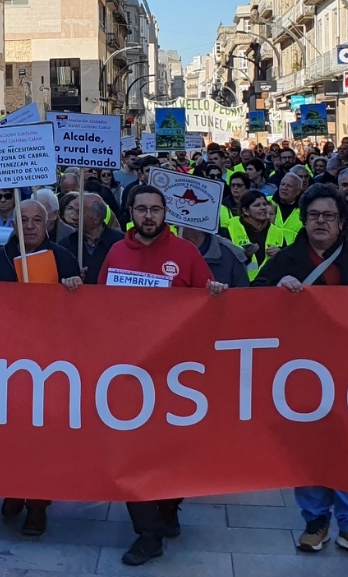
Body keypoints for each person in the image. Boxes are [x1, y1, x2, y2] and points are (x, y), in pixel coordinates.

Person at [252, 187, 348, 560]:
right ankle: (315, 521)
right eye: (314, 215)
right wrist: (274, 291)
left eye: (328, 216)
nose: (320, 222)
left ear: (341, 222)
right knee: (311, 445)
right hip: (302, 373)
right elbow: (251, 299)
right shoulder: (285, 261)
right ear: (303, 219)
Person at [97, 185, 226, 566]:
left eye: (155, 209)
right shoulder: (117, 252)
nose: (148, 216)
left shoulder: (185, 253)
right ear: (131, 214)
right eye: (142, 209)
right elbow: (99, 307)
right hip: (128, 374)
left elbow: (210, 300)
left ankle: (168, 507)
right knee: (130, 456)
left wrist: (216, 293)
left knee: (176, 453)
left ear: (166, 213)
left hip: (177, 377)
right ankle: (148, 533)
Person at [0, 200, 81, 535]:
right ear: (13, 224)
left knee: (42, 440)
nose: (29, 226)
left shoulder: (63, 258)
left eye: (36, 220)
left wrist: (75, 288)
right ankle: (13, 490)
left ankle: (37, 506)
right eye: (23, 220)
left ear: (48, 223)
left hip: (49, 367)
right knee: (10, 438)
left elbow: (83, 315)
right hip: (8, 366)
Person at [64, 194, 124, 284]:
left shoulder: (121, 243)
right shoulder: (65, 245)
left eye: (79, 212)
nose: (73, 217)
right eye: (72, 211)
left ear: (96, 218)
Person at [226, 190, 279, 281]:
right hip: (240, 286)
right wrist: (245, 256)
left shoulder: (277, 232)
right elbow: (225, 264)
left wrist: (280, 254)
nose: (263, 208)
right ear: (245, 211)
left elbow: (286, 263)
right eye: (257, 205)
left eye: (264, 204)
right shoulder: (230, 228)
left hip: (269, 287)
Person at [179, 226, 249, 288]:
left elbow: (242, 295)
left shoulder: (230, 255)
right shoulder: (172, 249)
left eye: (183, 226)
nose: (178, 228)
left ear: (198, 229)